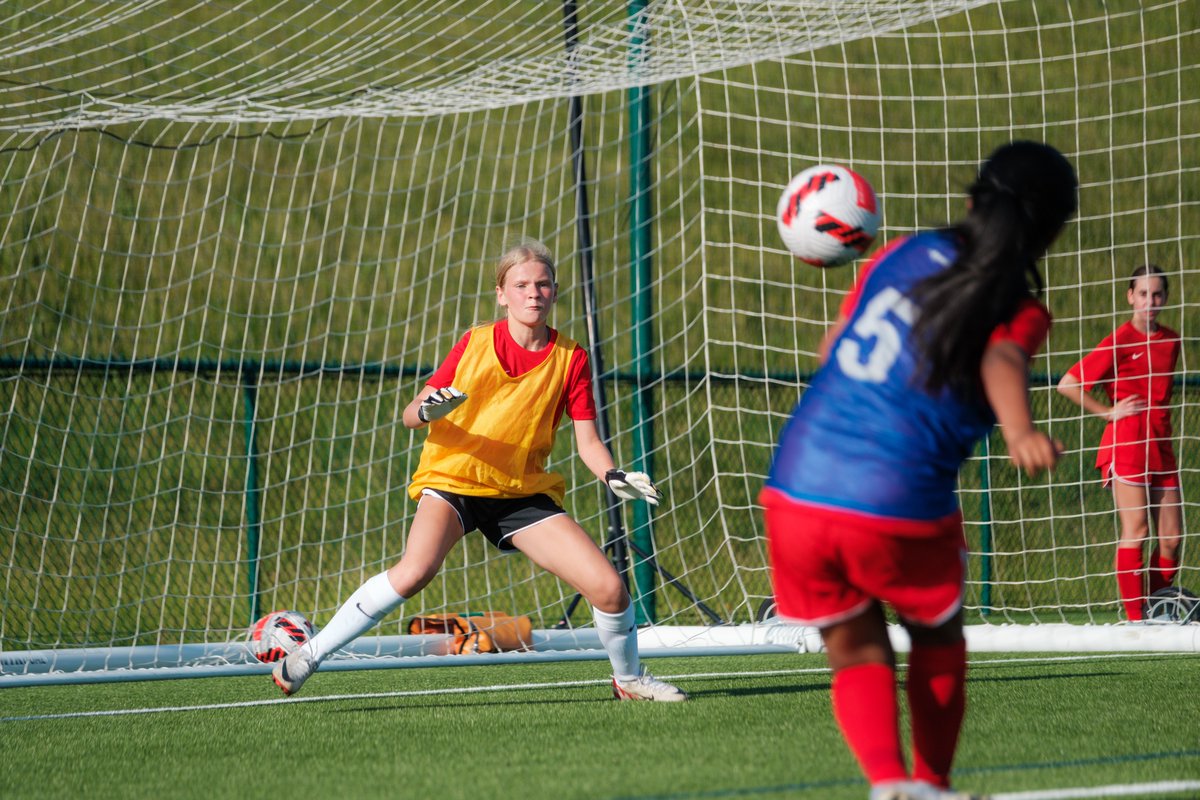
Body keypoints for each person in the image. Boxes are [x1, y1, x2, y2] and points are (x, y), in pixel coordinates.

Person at [762, 141, 1078, 800]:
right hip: (892, 493)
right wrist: (1019, 430)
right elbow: (1002, 360)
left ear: (970, 201)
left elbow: (831, 346)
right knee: (936, 634)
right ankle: (931, 783)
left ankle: (887, 783)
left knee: (855, 647)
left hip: (796, 482)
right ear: (1048, 232)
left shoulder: (901, 251)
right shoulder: (1015, 302)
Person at [272, 239, 686, 702]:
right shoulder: (475, 342)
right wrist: (427, 410)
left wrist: (613, 475)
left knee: (610, 589)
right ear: (501, 293)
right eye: (522, 284)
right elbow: (412, 414)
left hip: (521, 493)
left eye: (543, 284)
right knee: (414, 572)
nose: (534, 293)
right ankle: (308, 655)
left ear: (554, 292)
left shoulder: (572, 358)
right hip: (455, 480)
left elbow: (589, 442)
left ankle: (628, 681)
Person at [1056, 264, 1182, 622]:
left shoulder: (1171, 341)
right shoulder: (1119, 340)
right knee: (1137, 529)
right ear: (1130, 297)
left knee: (1172, 538)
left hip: (1162, 445)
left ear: (1165, 298)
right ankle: (1136, 619)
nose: (1150, 301)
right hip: (1126, 442)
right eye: (1143, 294)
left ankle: (1160, 610)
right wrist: (1107, 412)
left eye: (1157, 294)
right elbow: (1068, 382)